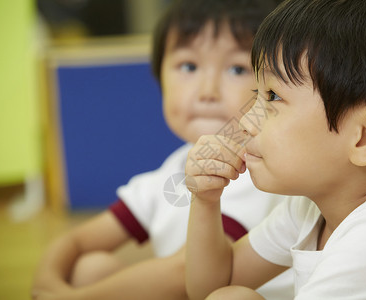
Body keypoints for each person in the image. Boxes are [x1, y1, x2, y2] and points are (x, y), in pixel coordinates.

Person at [32, 0, 294, 299]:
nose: (208, 90)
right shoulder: (171, 170)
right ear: (160, 78)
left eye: (236, 69)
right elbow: (78, 241)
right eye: (189, 66)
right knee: (90, 268)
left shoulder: (254, 169)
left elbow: (182, 270)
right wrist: (45, 283)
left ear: (270, 88)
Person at [185, 0, 366, 299]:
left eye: (273, 96)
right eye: (258, 93)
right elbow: (214, 286)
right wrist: (205, 201)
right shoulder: (315, 206)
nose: (245, 122)